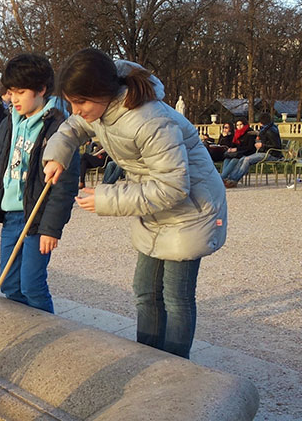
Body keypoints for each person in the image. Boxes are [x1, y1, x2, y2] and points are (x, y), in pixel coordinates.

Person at [42, 48, 228, 359]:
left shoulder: (149, 119)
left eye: (81, 102)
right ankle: (148, 359)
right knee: (145, 291)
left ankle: (176, 368)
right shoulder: (102, 110)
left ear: (104, 92)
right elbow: (74, 128)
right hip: (154, 205)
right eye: (72, 102)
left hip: (191, 209)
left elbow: (173, 187)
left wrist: (106, 198)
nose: (76, 110)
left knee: (176, 297)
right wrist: (58, 153)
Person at [0, 53, 79, 313]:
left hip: (37, 218)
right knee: (10, 284)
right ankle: (21, 331)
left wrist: (51, 228)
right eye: (11, 91)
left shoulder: (59, 127)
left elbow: (65, 186)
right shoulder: (8, 123)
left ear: (41, 90)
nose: (13, 98)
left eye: (21, 92)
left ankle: (47, 332)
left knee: (32, 285)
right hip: (11, 216)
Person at [221, 112, 281, 188]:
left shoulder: (270, 131)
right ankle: (230, 179)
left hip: (271, 154)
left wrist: (262, 145)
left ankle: (233, 180)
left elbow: (277, 146)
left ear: (261, 122)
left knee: (247, 159)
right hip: (264, 152)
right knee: (242, 159)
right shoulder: (267, 129)